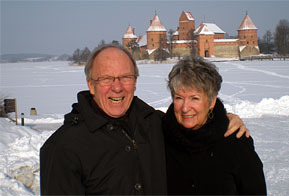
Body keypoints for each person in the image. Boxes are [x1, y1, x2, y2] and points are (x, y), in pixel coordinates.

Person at [40, 44, 249, 195]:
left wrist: (224, 121)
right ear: (91, 85)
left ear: (135, 81)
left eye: (125, 77)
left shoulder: (155, 123)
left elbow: (194, 123)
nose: (117, 87)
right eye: (106, 79)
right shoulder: (64, 148)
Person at [163, 56, 267, 195]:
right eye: (179, 98)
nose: (185, 108)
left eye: (195, 98)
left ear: (211, 101)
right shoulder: (161, 135)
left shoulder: (235, 141)